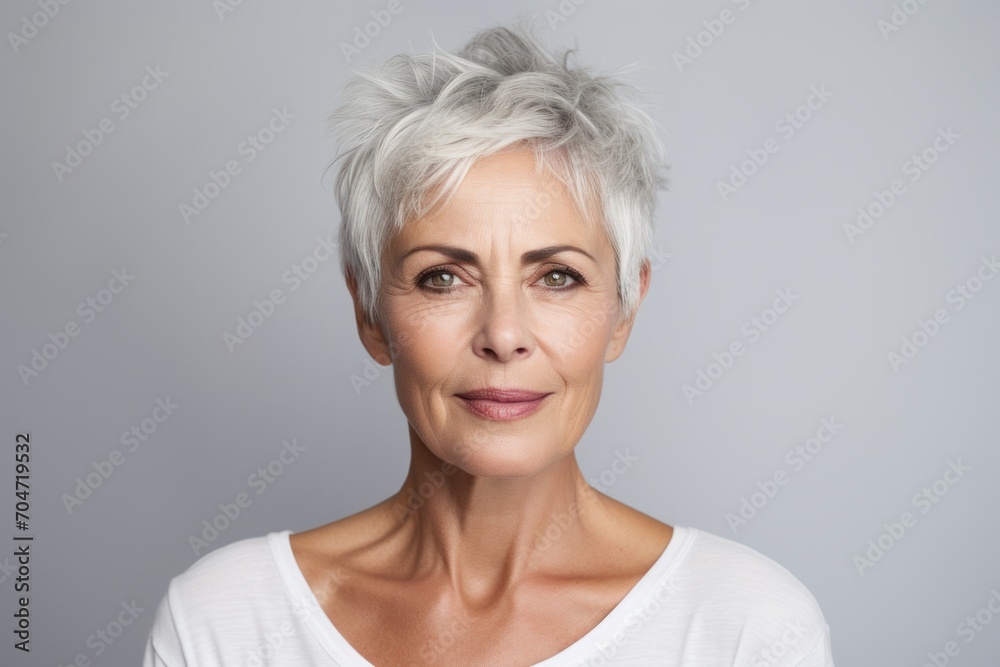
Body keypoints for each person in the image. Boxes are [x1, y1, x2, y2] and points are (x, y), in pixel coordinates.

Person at [143, 16, 834, 666]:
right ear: (369, 312)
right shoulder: (225, 624)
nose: (503, 335)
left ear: (623, 309)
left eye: (557, 276)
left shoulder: (744, 628)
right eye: (443, 277)